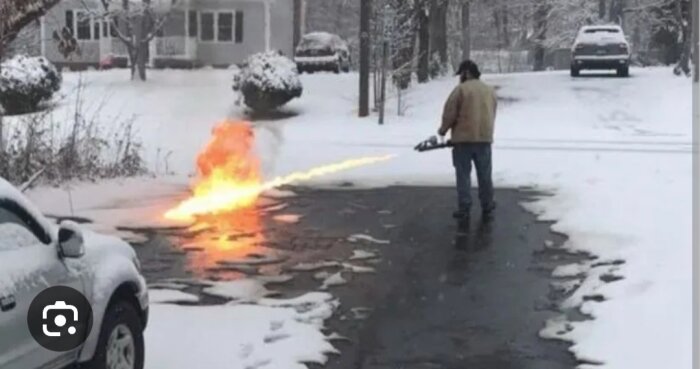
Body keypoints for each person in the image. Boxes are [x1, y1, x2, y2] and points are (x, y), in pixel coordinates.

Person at [438, 60, 498, 222]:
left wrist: (443, 130)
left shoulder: (461, 90)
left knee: (463, 175)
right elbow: (493, 111)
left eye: (461, 74)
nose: (460, 78)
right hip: (484, 139)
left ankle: (464, 207)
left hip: (463, 141)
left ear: (466, 72)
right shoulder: (489, 90)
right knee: (485, 175)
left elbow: (450, 113)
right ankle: (487, 204)